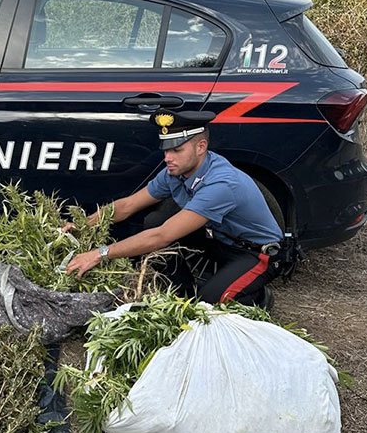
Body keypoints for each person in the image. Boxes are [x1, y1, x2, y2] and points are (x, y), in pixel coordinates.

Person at [65, 109, 289, 309]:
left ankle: (257, 297)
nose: (168, 158)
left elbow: (161, 237)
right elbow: (128, 205)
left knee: (209, 305)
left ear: (201, 147)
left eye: (177, 150)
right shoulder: (176, 171)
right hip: (220, 240)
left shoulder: (221, 184)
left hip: (256, 253)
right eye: (165, 150)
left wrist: (100, 254)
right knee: (155, 220)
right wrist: (81, 225)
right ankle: (184, 291)